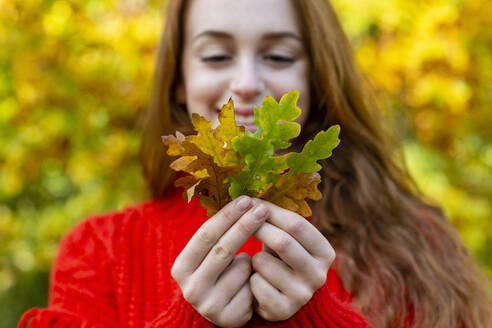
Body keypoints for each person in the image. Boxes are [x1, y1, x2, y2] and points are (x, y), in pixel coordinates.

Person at [19, 0, 492, 327]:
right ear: (179, 80)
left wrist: (317, 320)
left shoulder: (416, 245)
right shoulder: (101, 252)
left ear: (318, 76)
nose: (246, 82)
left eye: (278, 54)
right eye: (218, 54)